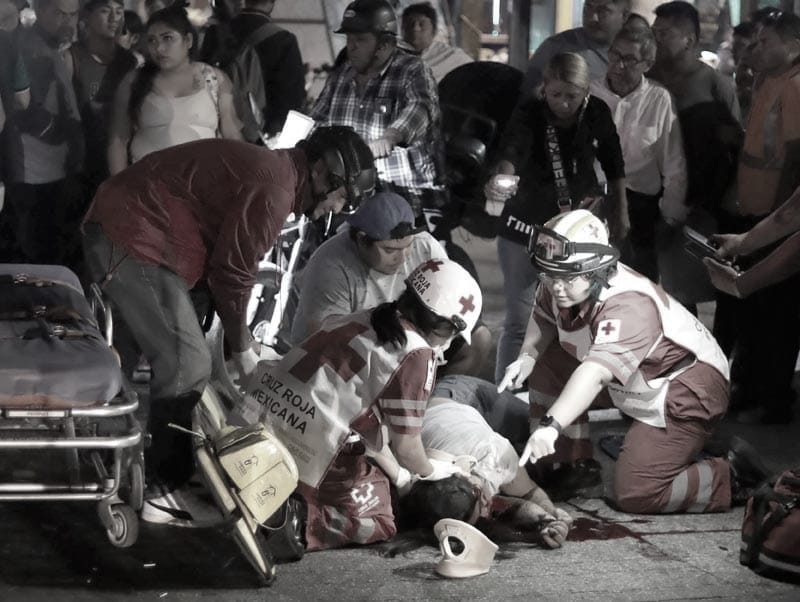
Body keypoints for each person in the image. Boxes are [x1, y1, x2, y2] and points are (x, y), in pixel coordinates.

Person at [82, 126, 377, 525]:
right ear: (323, 173)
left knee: (158, 357)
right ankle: (163, 490)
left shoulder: (275, 173)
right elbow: (234, 274)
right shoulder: (274, 189)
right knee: (187, 365)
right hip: (134, 234)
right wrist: (242, 350)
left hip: (134, 226)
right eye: (341, 197)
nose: (337, 209)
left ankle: (110, 458)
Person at [499, 209, 767, 513]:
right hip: (638, 379)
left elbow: (595, 373)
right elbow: (545, 318)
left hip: (683, 389)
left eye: (565, 277)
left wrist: (551, 425)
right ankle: (570, 466)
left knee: (637, 493)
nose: (555, 286)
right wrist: (527, 356)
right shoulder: (566, 282)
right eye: (549, 274)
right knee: (547, 358)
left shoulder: (628, 306)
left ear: (594, 268)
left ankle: (731, 474)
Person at [241, 259, 483, 551]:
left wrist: (403, 475)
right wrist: (431, 472)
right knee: (381, 518)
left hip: (258, 416)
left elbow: (364, 423)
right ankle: (293, 519)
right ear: (445, 324)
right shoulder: (416, 353)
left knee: (374, 468)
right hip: (304, 447)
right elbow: (407, 449)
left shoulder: (369, 317)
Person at [485, 52, 627, 383]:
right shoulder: (529, 113)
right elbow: (512, 152)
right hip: (526, 228)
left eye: (572, 96)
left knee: (580, 318)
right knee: (520, 320)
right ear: (544, 88)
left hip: (576, 231)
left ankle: (572, 393)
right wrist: (501, 181)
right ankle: (506, 396)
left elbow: (614, 164)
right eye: (556, 94)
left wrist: (621, 211)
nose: (563, 104)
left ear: (586, 92)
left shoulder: (597, 113)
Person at [290, 191, 491, 376]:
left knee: (479, 339)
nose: (402, 258)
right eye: (389, 250)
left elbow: (449, 304)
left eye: (408, 246)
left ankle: (436, 406)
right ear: (361, 240)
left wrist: (431, 352)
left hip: (414, 343)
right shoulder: (331, 263)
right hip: (354, 356)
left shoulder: (425, 246)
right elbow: (323, 338)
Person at [309, 0, 444, 227]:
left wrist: (391, 136)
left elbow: (420, 108)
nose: (351, 47)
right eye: (349, 39)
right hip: (350, 189)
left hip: (404, 192)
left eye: (360, 40)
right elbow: (316, 120)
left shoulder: (412, 70)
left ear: (384, 44)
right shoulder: (340, 77)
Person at [647, 1, 742, 313]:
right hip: (646, 200)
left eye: (664, 33)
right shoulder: (645, 80)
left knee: (691, 292)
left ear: (688, 39)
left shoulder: (716, 85)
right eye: (654, 32)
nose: (656, 39)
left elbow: (735, 147)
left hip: (702, 207)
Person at [590, 17, 687, 282]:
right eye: (615, 56)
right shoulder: (590, 93)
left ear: (647, 64)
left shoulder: (658, 100)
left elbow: (674, 164)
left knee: (635, 289)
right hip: (591, 203)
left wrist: (669, 218)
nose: (618, 66)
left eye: (629, 60)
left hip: (639, 211)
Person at [107, 3, 242, 175]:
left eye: (167, 38)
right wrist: (120, 186)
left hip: (203, 184)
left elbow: (232, 136)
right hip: (149, 185)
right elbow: (118, 141)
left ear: (188, 41)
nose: (159, 48)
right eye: (152, 40)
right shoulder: (134, 81)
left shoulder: (215, 79)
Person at [3, 0, 85, 268]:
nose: (67, 21)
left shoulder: (54, 48)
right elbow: (22, 106)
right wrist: (60, 132)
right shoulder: (28, 48)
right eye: (59, 13)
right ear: (38, 11)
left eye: (72, 15)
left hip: (53, 169)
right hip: (34, 173)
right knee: (38, 260)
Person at [206, 0, 305, 140]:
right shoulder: (283, 40)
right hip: (257, 135)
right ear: (271, 3)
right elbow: (291, 97)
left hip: (214, 129)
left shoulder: (215, 33)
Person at [70, 0, 137, 192]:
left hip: (119, 157)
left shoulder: (129, 61)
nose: (114, 18)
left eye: (119, 12)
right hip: (81, 163)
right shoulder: (72, 57)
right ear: (87, 16)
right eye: (105, 11)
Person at [521, 0, 631, 97]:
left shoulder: (636, 56)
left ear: (625, 16)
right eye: (588, 8)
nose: (593, 18)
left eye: (603, 11)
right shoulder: (555, 47)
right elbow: (527, 97)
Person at [401, 2, 472, 83]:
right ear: (402, 29)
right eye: (410, 24)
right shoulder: (392, 57)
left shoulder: (452, 56)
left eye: (422, 24)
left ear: (434, 30)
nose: (415, 29)